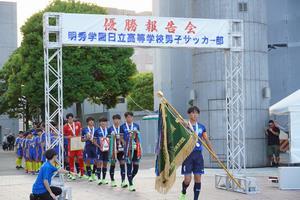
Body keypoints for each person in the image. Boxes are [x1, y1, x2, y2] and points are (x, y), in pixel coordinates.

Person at [179, 106, 215, 200]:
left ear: (198, 114)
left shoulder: (202, 127)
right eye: (192, 113)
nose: (194, 115)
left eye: (196, 113)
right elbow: (177, 122)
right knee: (187, 180)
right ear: (189, 114)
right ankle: (183, 192)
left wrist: (212, 152)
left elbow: (206, 140)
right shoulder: (185, 125)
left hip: (198, 156)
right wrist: (182, 123)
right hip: (187, 155)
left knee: (198, 178)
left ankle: (196, 198)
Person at [120, 112, 142, 191]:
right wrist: (125, 143)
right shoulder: (122, 127)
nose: (129, 118)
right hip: (127, 150)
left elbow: (138, 137)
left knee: (136, 167)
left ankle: (130, 178)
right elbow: (121, 138)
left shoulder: (136, 126)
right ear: (125, 118)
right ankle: (131, 184)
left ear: (132, 117)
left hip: (135, 148)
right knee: (129, 165)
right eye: (128, 117)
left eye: (131, 117)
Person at [63, 113, 84, 180]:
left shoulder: (78, 124)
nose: (70, 120)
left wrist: (80, 136)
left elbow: (80, 132)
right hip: (71, 143)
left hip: (78, 142)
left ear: (73, 118)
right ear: (67, 119)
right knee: (71, 158)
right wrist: (67, 137)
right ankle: (72, 174)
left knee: (80, 157)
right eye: (69, 119)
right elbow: (63, 136)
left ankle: (82, 173)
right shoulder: (65, 126)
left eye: (71, 118)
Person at [108, 114, 126, 188]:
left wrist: (122, 141)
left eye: (118, 119)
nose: (116, 121)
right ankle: (112, 180)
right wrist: (113, 149)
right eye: (115, 119)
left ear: (120, 120)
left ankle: (123, 181)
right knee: (113, 164)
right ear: (113, 120)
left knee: (122, 163)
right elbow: (108, 140)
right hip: (113, 150)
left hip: (121, 150)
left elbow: (125, 139)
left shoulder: (122, 128)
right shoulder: (110, 129)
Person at [94, 117, 110, 185]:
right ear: (100, 123)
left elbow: (111, 139)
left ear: (106, 123)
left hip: (106, 150)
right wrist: (99, 146)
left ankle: (104, 179)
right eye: (102, 121)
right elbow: (94, 141)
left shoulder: (108, 130)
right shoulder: (97, 131)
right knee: (99, 163)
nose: (103, 123)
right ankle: (99, 179)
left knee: (105, 164)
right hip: (99, 149)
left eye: (105, 121)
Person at [81, 116, 97, 182]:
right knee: (88, 161)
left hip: (95, 147)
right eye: (90, 121)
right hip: (88, 147)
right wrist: (87, 138)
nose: (91, 122)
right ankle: (89, 175)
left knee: (96, 161)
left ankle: (93, 173)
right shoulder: (84, 130)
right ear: (87, 122)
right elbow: (82, 140)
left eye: (92, 120)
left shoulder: (96, 130)